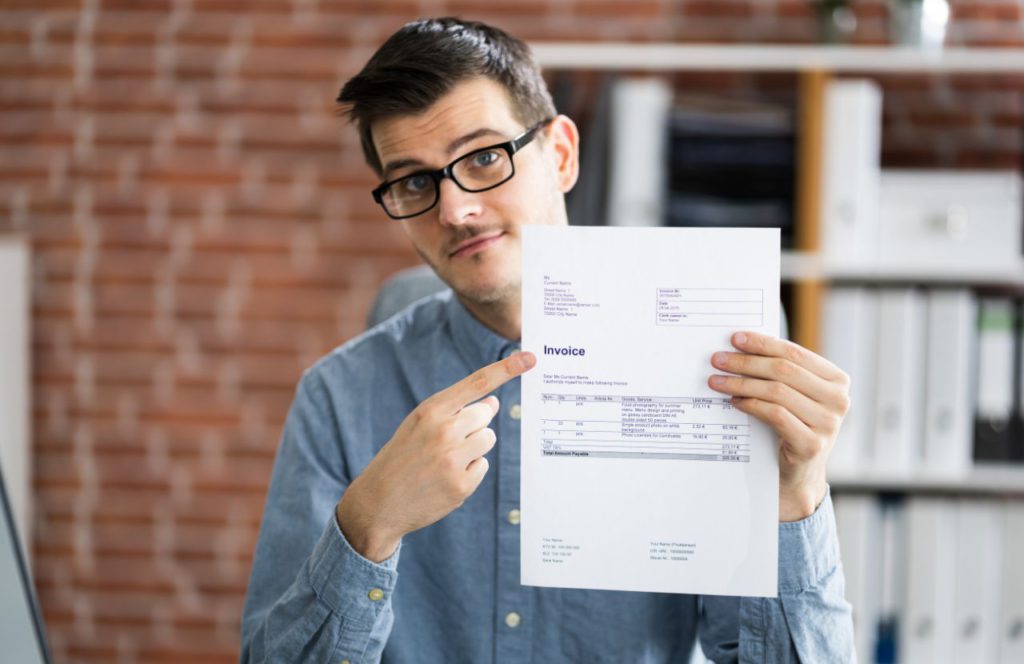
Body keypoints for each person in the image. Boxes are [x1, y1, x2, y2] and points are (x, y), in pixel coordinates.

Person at [240, 17, 855, 663]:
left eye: (483, 158)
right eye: (416, 181)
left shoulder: (705, 363)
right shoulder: (338, 397)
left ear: (560, 154)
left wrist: (796, 496)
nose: (454, 210)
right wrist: (367, 527)